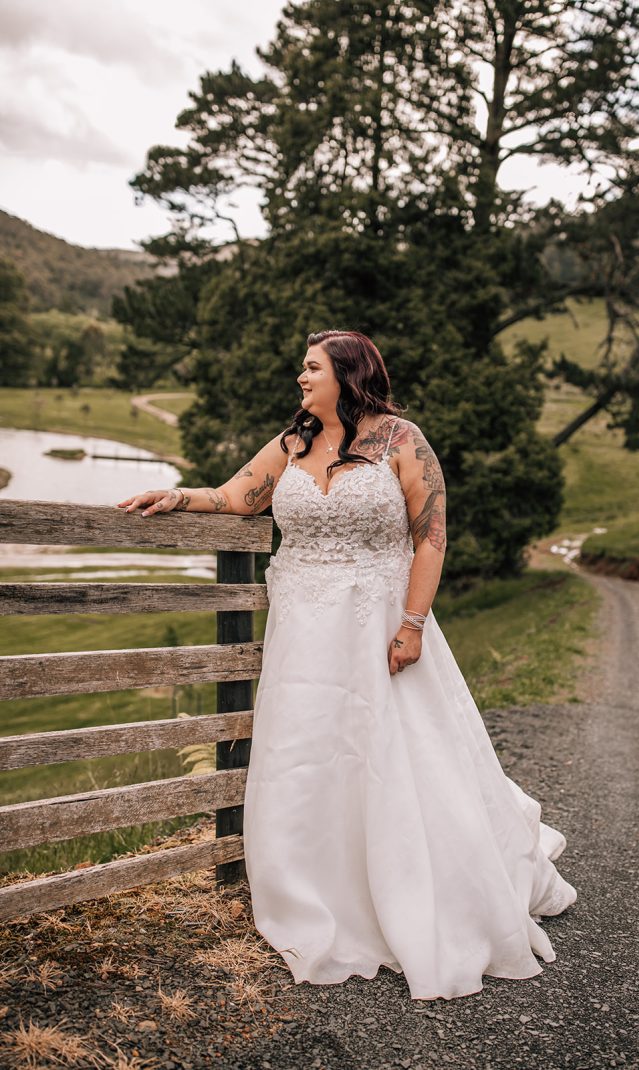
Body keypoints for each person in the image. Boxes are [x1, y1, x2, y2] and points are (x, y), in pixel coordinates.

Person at [117, 328, 577, 1001]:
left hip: (378, 624)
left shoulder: (401, 440)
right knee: (307, 754)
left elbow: (431, 537)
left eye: (311, 368)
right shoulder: (290, 444)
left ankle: (415, 887)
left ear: (347, 372)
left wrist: (412, 624)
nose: (301, 379)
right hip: (303, 632)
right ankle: (313, 892)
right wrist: (178, 497)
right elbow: (237, 497)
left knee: (391, 754)